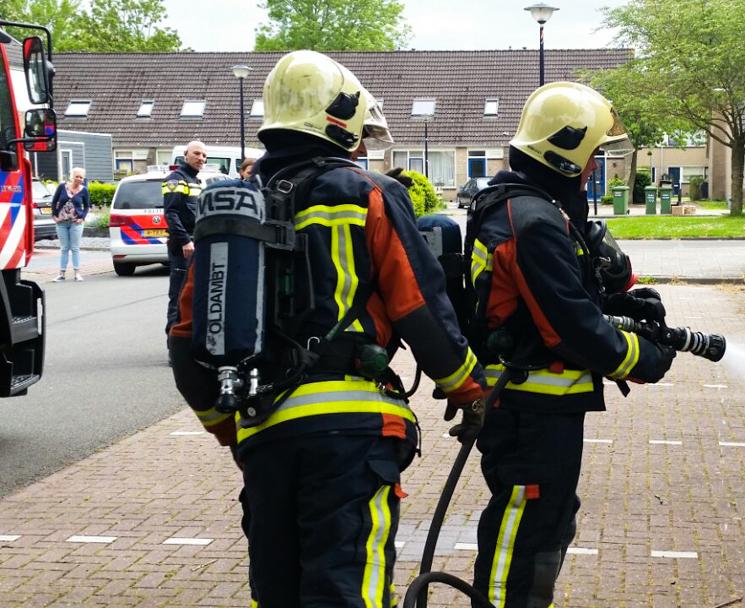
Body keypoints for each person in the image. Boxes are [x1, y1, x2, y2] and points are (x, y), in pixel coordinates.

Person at [169, 50, 486, 607]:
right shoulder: (368, 192)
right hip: (351, 437)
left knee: (278, 592)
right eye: (360, 137)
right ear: (339, 122)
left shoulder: (235, 212)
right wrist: (469, 389)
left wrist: (229, 429)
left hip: (264, 429)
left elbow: (185, 339)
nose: (362, 149)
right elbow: (420, 306)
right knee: (346, 590)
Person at [465, 81, 676, 608]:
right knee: (524, 526)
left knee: (549, 520)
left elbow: (558, 300)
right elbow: (570, 327)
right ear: (565, 155)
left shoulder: (531, 210)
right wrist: (643, 359)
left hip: (540, 407)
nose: (593, 168)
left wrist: (623, 306)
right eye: (591, 155)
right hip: (529, 407)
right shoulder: (532, 220)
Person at [163, 140, 206, 335]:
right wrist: (185, 240)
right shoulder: (176, 179)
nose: (201, 158)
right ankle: (173, 341)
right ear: (185, 155)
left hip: (194, 244)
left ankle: (186, 338)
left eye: (204, 155)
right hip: (183, 246)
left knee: (191, 294)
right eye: (197, 153)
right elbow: (171, 213)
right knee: (179, 295)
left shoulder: (195, 181)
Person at [51, 168, 90, 282]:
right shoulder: (62, 186)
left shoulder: (84, 190)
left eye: (81, 177)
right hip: (61, 223)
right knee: (64, 248)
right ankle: (61, 274)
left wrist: (82, 218)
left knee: (75, 248)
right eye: (77, 176)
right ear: (72, 176)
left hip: (75, 223)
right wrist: (54, 216)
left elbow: (87, 206)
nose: (79, 179)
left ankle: (77, 273)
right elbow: (54, 201)